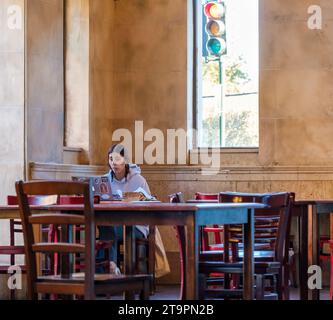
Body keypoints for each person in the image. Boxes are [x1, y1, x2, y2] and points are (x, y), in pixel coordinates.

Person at [98, 144, 170, 278]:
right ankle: (110, 269)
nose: (114, 163)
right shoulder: (103, 181)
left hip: (137, 225)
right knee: (105, 225)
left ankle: (109, 269)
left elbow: (150, 204)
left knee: (107, 230)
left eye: (118, 159)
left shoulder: (138, 180)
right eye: (111, 159)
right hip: (113, 224)